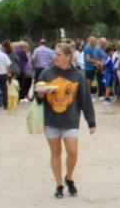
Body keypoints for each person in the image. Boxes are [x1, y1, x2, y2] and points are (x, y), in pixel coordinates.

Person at [34, 43, 96, 199]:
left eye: (59, 54)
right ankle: (59, 184)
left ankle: (69, 177)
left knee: (72, 152)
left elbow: (85, 99)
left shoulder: (78, 76)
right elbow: (38, 100)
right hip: (51, 119)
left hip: (71, 119)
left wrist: (91, 121)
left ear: (68, 56)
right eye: (55, 54)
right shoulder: (46, 74)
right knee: (55, 152)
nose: (55, 57)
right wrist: (41, 94)